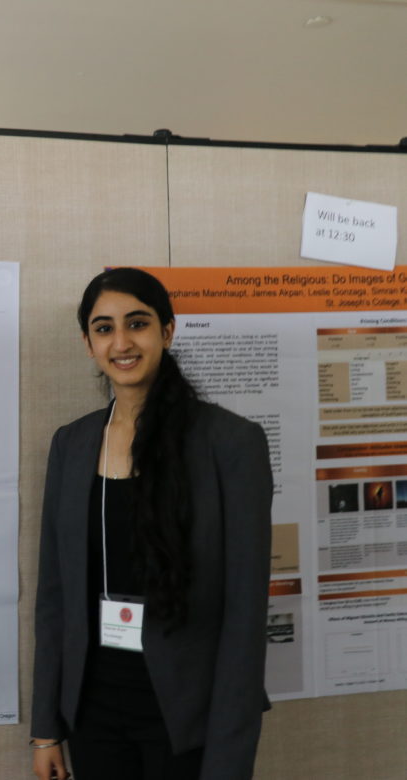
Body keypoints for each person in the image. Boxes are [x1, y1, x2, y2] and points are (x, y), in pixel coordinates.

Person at [30, 268, 273, 780]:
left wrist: (229, 763)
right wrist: (46, 727)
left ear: (166, 331)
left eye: (137, 323)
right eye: (103, 328)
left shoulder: (229, 443)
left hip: (185, 717)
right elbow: (55, 596)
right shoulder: (71, 445)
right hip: (92, 714)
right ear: (88, 343)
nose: (121, 342)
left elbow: (245, 618)